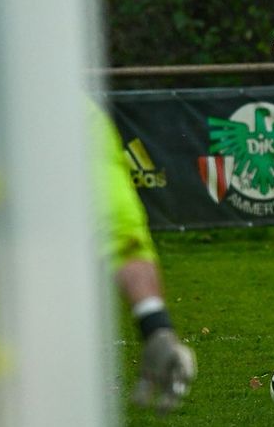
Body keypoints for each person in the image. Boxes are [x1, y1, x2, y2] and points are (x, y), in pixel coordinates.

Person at [91, 101, 196, 414]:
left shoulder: (66, 113)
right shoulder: (70, 112)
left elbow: (119, 229)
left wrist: (155, 326)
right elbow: (122, 233)